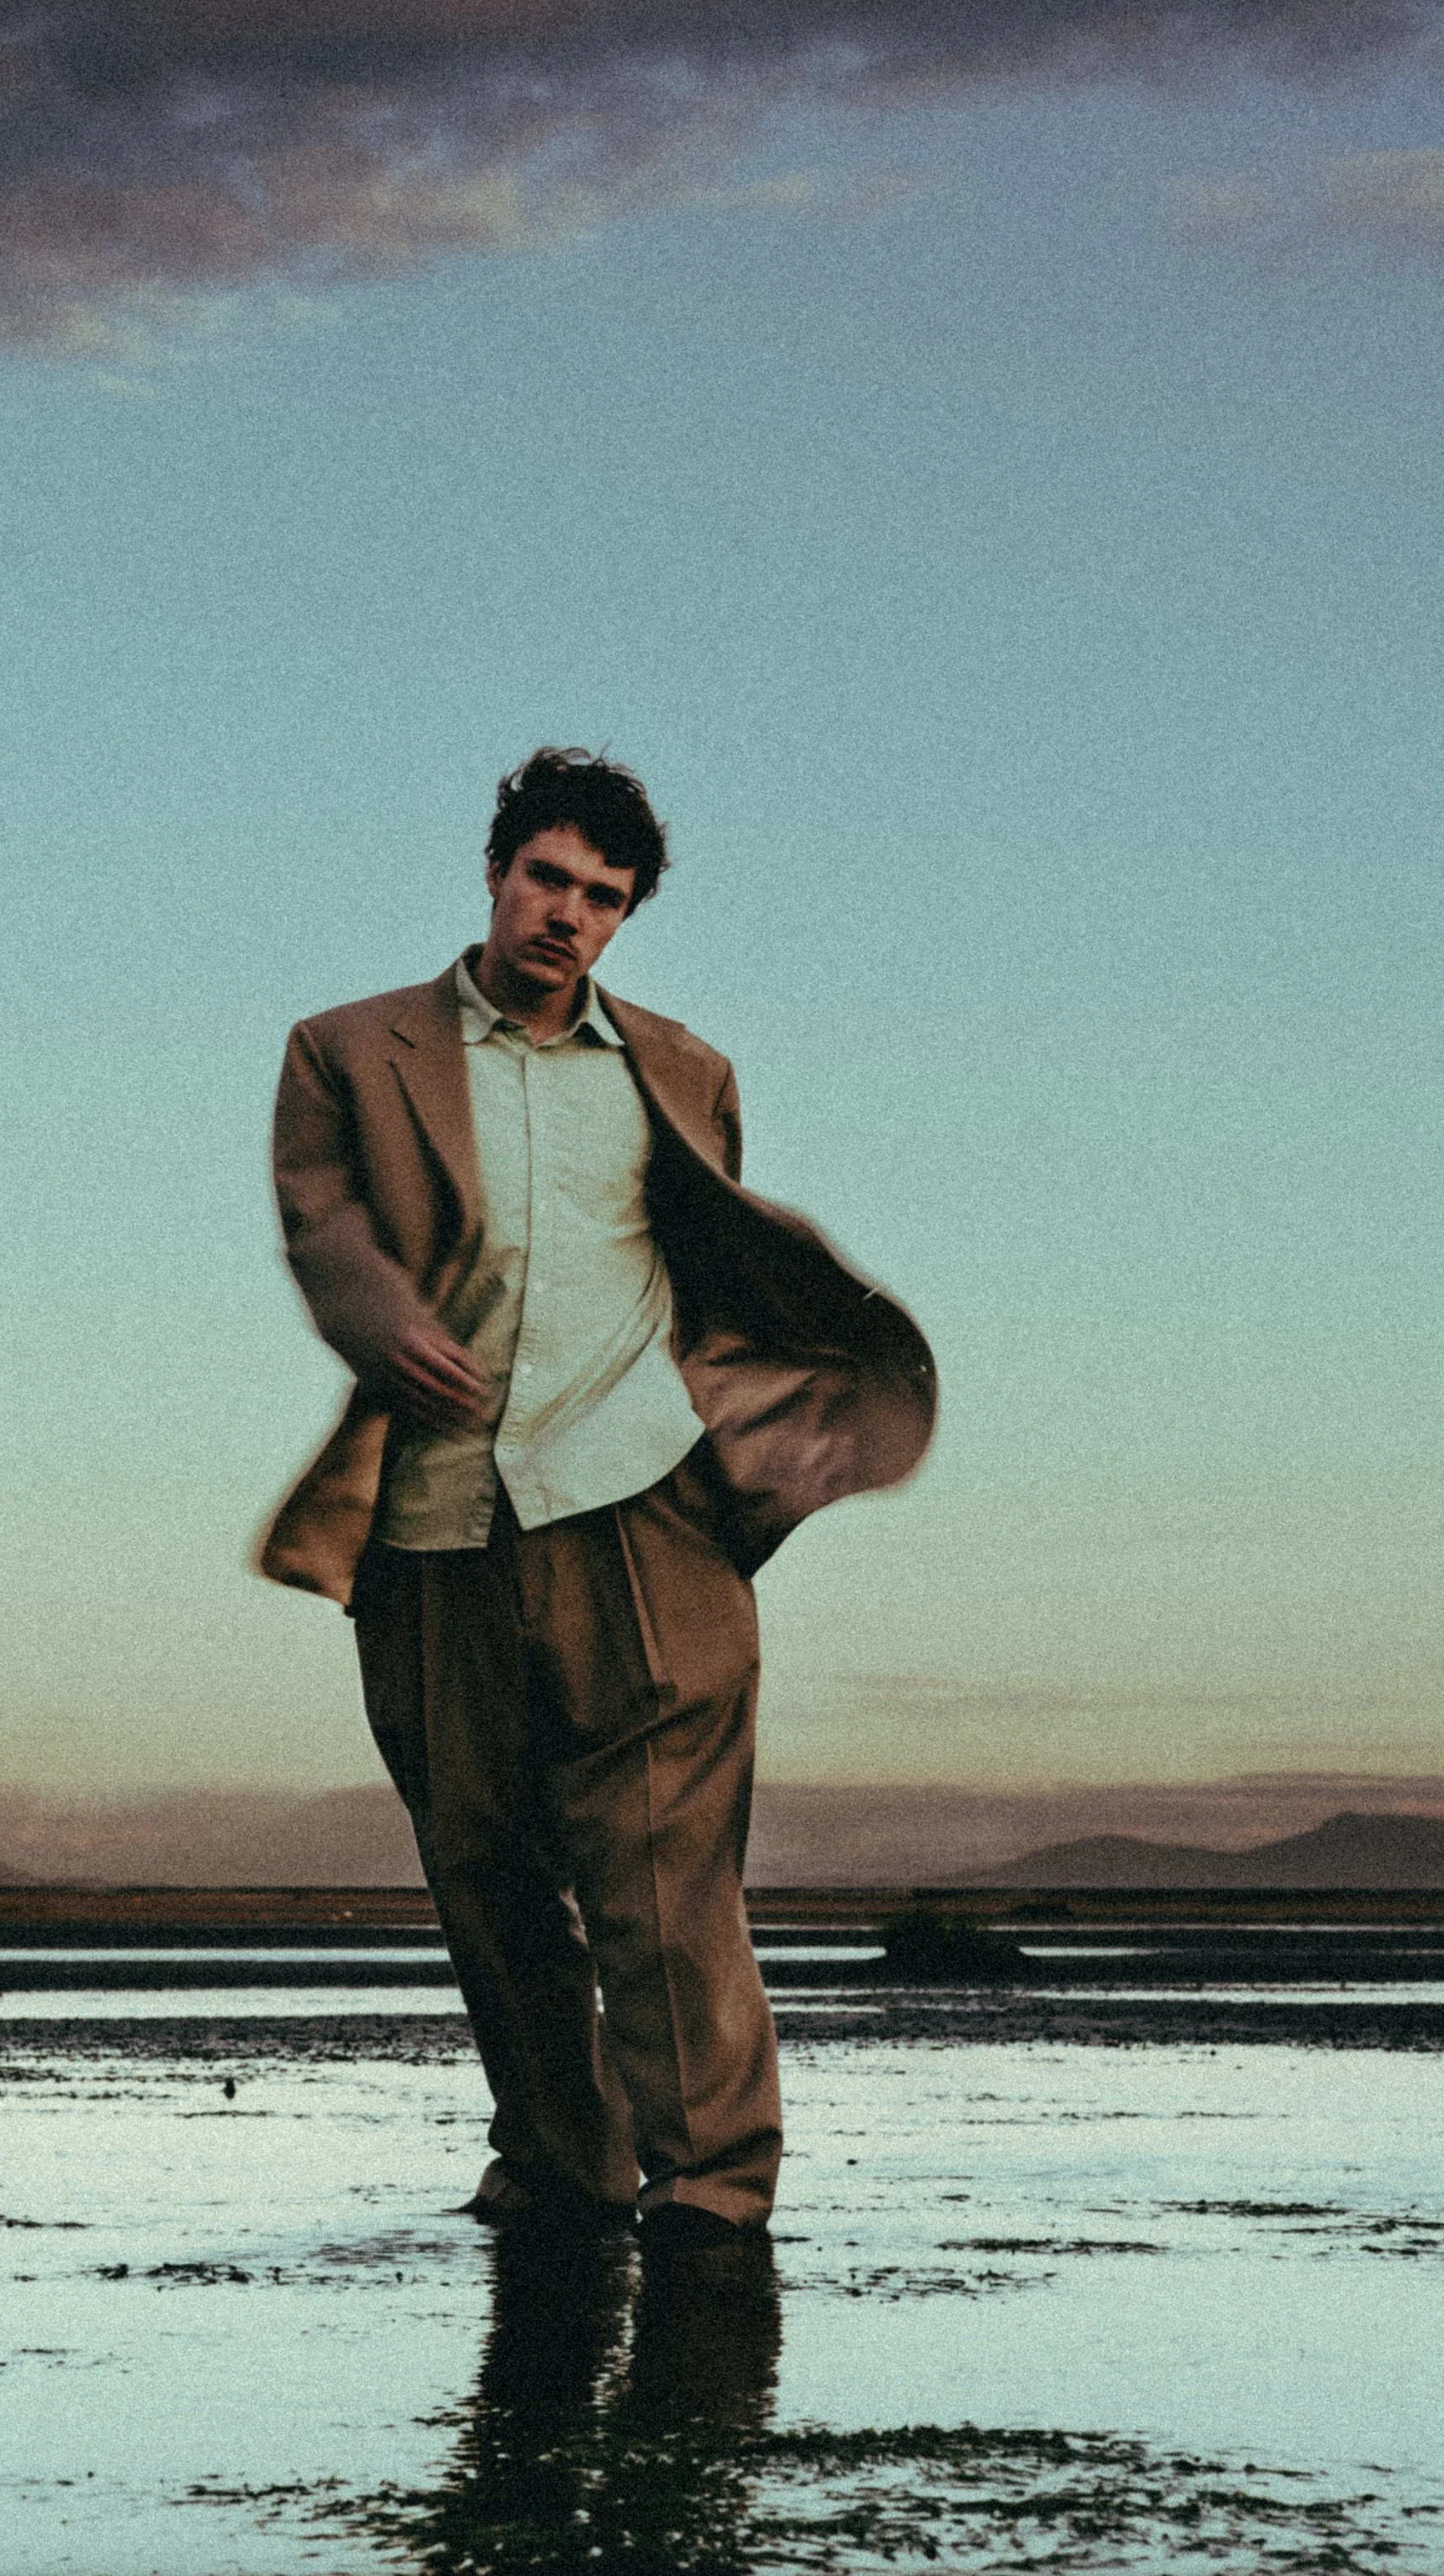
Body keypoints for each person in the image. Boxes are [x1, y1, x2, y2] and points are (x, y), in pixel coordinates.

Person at [260, 748, 935, 2252]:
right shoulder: (346, 1049)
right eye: (549, 879)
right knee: (488, 1875)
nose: (570, 916)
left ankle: (711, 2192)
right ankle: (562, 2169)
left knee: (666, 1875)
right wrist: (382, 1320)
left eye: (606, 899)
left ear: (626, 918)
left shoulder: (682, 1070)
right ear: (496, 870)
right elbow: (321, 1219)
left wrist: (735, 1460)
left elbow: (718, 1276)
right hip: (434, 1522)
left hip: (644, 1509)